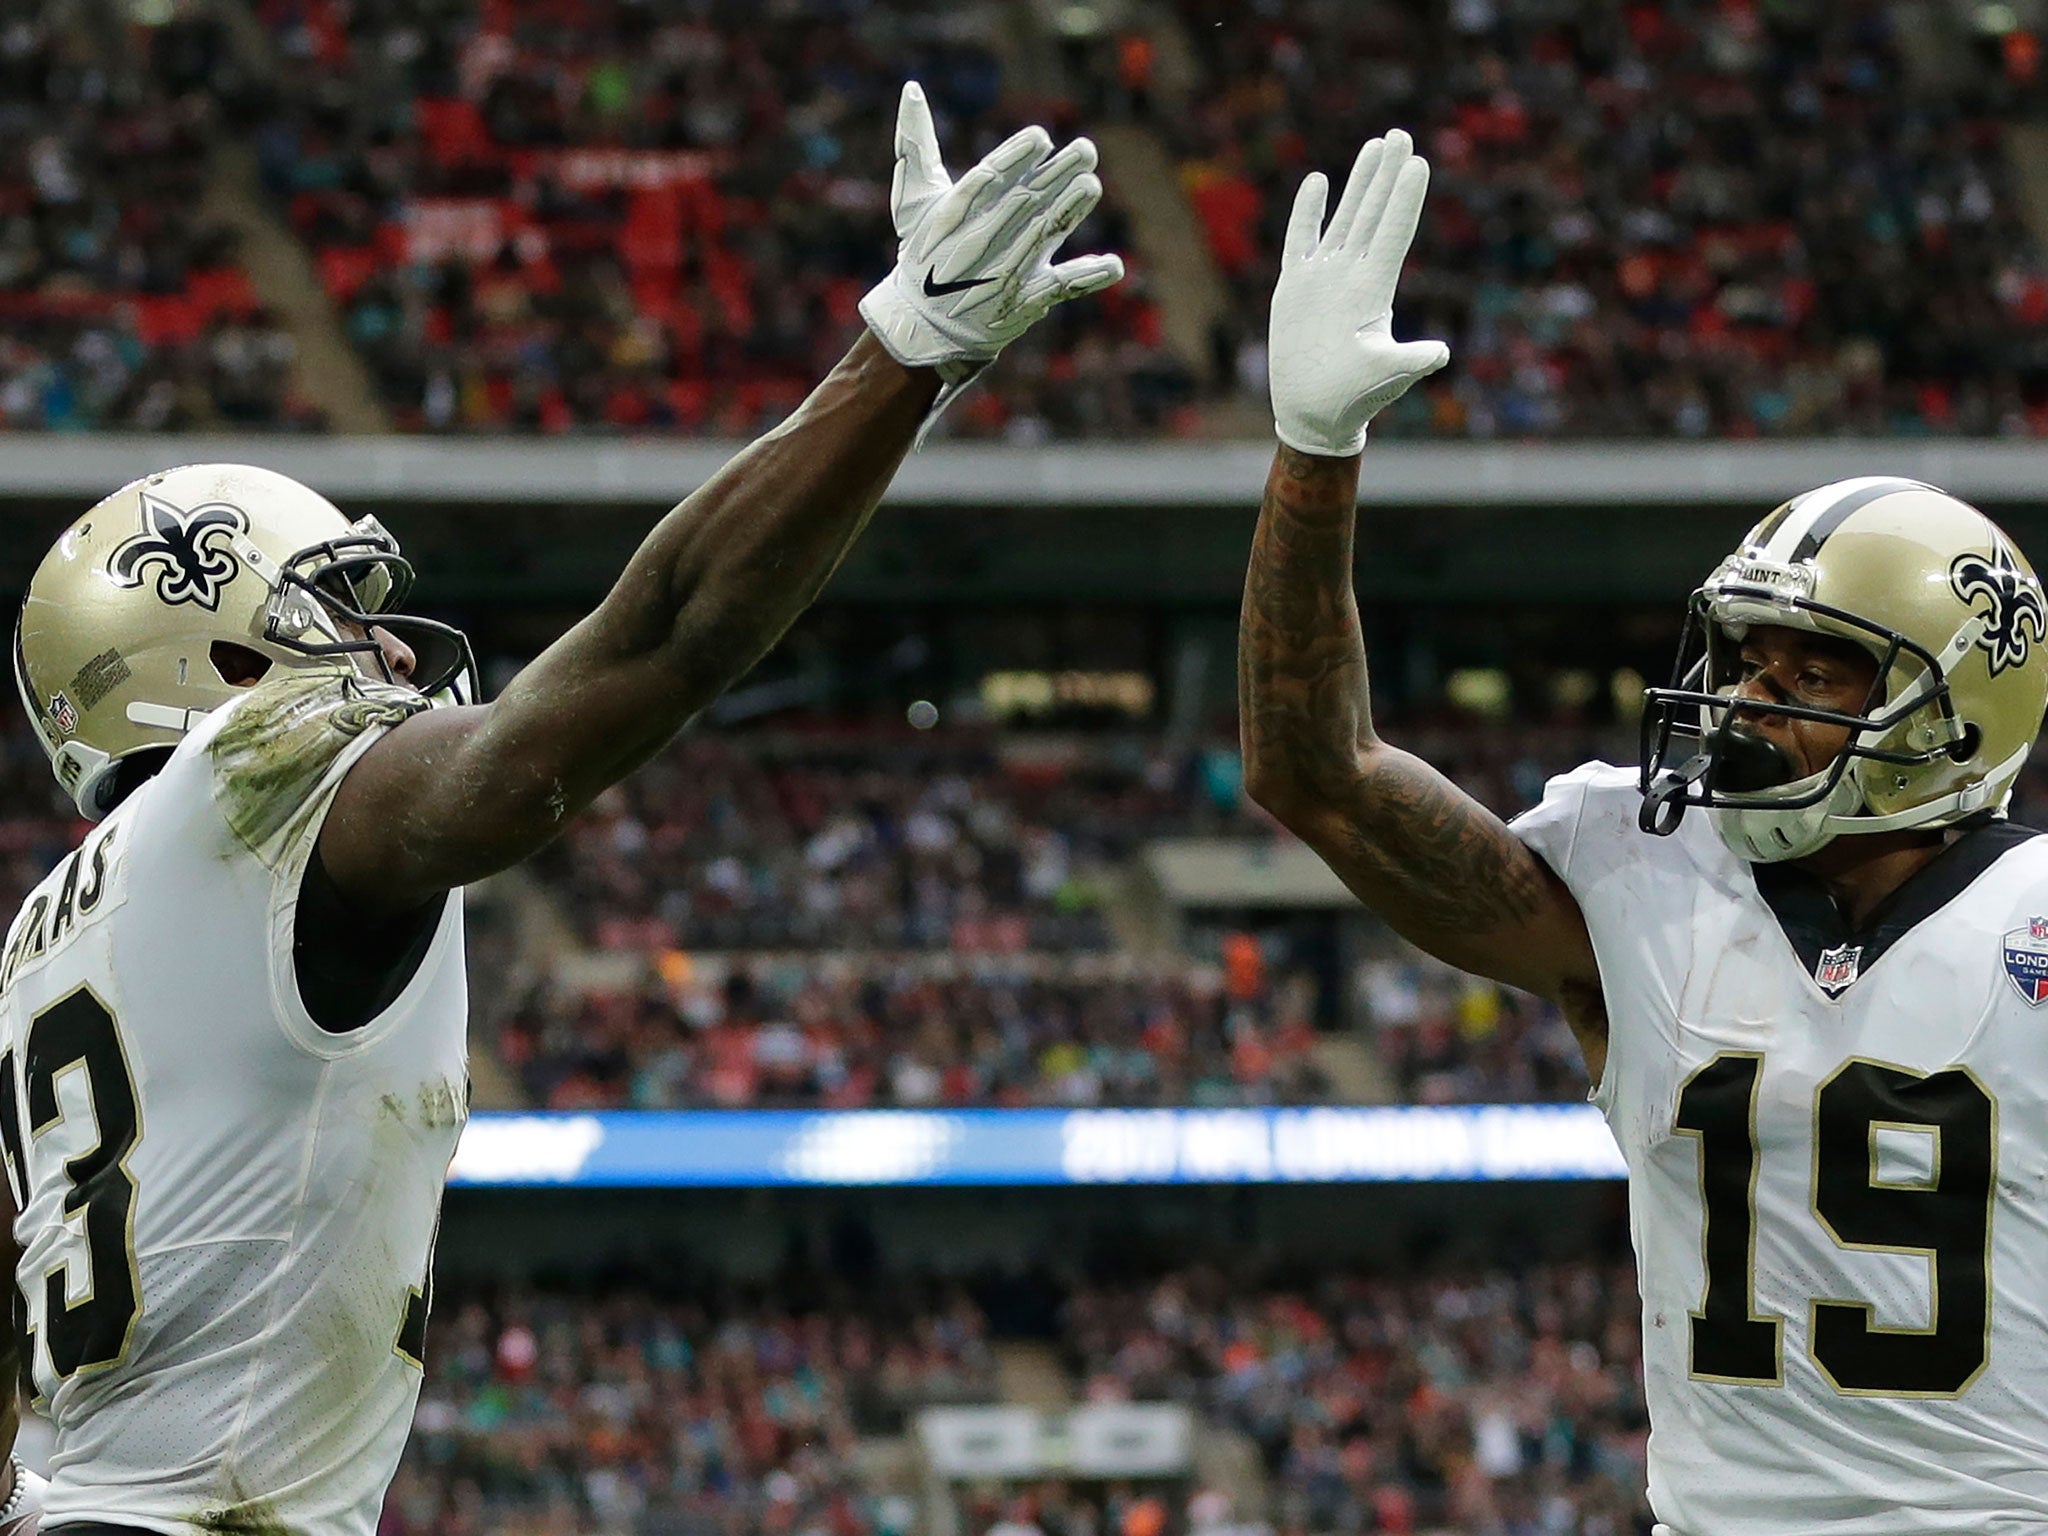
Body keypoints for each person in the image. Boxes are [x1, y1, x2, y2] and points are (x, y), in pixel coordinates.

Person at [2, 83, 1120, 1536]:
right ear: (215, 661)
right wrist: (897, 360)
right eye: (333, 610)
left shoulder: (42, 941)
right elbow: (653, 647)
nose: (392, 651)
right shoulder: (254, 790)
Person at [1239, 128, 2048, 1534]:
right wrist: (1317, 453)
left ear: (1954, 714)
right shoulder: (1643, 875)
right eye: (1742, 658)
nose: (1745, 700)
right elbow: (1317, 772)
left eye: (1813, 671)